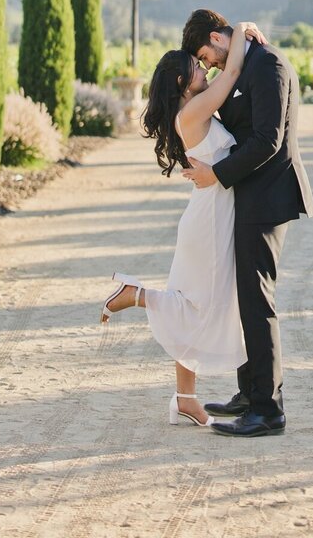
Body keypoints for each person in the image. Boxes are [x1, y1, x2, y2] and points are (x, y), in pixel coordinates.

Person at [100, 21, 264, 428]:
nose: (203, 67)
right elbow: (230, 74)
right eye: (196, 65)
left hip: (209, 210)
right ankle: (134, 294)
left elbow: (228, 73)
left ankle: (186, 399)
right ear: (181, 80)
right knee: (196, 306)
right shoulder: (192, 110)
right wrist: (241, 29)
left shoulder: (193, 105)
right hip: (210, 217)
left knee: (191, 302)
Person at [181, 8, 313, 437]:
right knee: (244, 298)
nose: (208, 65)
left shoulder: (268, 63)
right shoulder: (243, 63)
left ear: (217, 39)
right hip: (249, 195)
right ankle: (249, 392)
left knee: (257, 302)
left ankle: (268, 410)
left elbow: (267, 139)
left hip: (269, 196)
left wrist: (216, 175)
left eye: (205, 55)